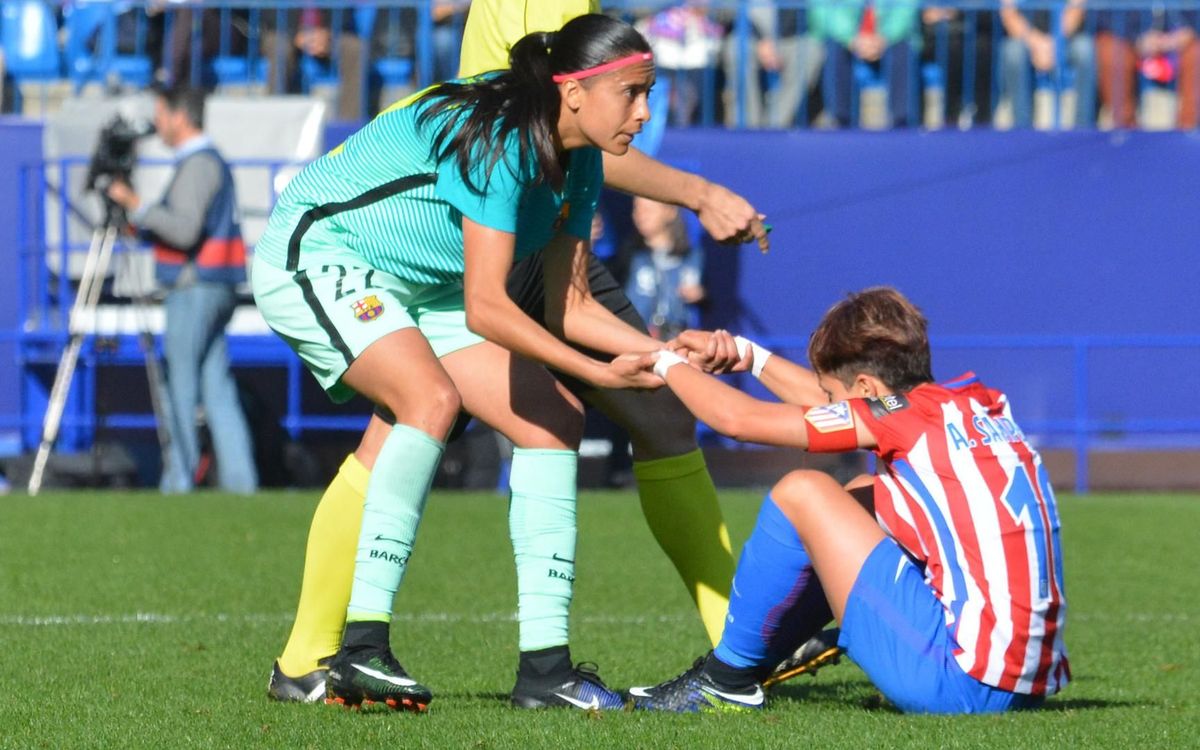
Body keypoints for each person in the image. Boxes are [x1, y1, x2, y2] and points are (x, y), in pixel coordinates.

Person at [267, 0, 773, 707]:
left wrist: (667, 358)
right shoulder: (505, 140)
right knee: (428, 402)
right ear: (573, 91)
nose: (644, 112)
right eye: (632, 92)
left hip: (425, 280)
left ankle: (544, 671)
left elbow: (572, 307)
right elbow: (488, 308)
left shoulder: (584, 160)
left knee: (553, 420)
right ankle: (360, 650)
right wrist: (602, 370)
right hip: (322, 250)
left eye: (649, 93)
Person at [630, 287, 1069, 714]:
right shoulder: (975, 403)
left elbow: (737, 420)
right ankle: (779, 647)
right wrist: (749, 357)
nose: (828, 406)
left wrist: (665, 361)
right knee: (865, 495)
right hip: (1023, 683)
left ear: (866, 387)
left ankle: (723, 682)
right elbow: (842, 409)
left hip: (959, 682)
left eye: (834, 396)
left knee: (803, 492)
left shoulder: (902, 418)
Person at [106, 85, 258, 495]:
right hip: (213, 283)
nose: (156, 122)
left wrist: (135, 203)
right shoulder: (208, 163)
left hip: (196, 287)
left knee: (180, 385)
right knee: (216, 387)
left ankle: (179, 479)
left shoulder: (199, 164)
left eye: (159, 112)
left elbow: (184, 229)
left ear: (179, 115)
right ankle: (242, 484)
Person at [812, 0, 921, 128]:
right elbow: (825, 11)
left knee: (904, 50)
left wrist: (884, 38)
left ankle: (902, 120)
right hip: (848, 39)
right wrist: (852, 39)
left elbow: (905, 12)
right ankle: (841, 120)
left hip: (889, 40)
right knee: (834, 51)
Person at [1095, 7, 1200, 129]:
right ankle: (1126, 129)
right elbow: (1102, 17)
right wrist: (1137, 38)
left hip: (1177, 44)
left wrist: (1187, 33)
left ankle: (1188, 132)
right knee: (1111, 52)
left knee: (1196, 54)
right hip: (1129, 41)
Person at [998, 0, 1096, 129]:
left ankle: (1083, 129)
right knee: (1013, 53)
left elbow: (1076, 9)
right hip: (1027, 40)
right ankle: (1021, 129)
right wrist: (1037, 43)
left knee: (1085, 49)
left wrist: (1054, 43)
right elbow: (1009, 14)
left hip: (1066, 38)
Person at [623, 196, 705, 341]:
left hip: (677, 340)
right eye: (637, 208)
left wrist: (700, 295)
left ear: (670, 212)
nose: (641, 214)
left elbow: (707, 298)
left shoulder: (691, 255)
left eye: (648, 209)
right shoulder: (629, 254)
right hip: (635, 338)